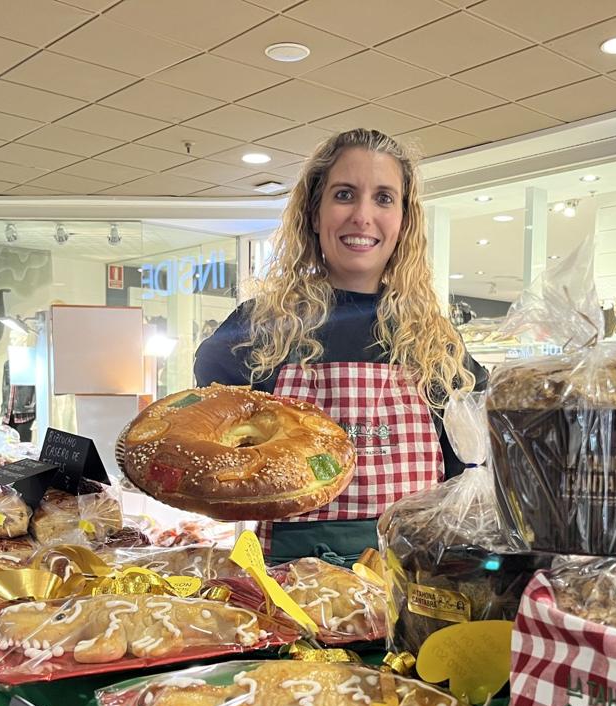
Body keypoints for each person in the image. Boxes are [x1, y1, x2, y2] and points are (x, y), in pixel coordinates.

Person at [195, 128, 487, 564]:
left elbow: (465, 476)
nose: (363, 216)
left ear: (404, 220)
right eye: (345, 194)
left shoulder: (432, 340)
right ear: (314, 214)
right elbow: (215, 451)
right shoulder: (259, 329)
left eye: (384, 198)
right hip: (291, 596)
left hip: (407, 590)